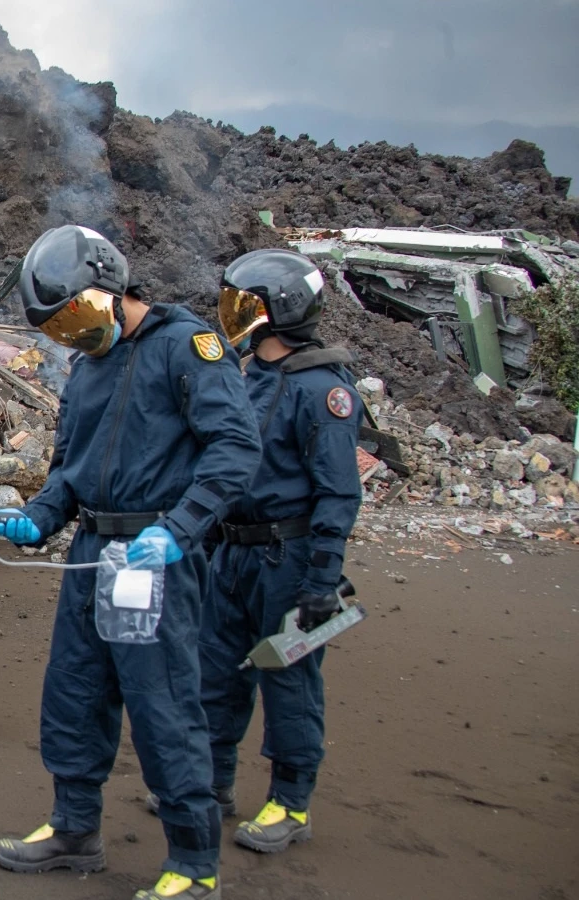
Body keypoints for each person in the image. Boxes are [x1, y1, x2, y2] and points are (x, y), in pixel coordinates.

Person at [0, 225, 261, 900]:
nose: (72, 336)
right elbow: (69, 469)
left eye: (76, 316)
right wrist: (41, 517)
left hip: (155, 558)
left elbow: (234, 448)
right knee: (75, 692)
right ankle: (75, 829)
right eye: (58, 328)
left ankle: (195, 866)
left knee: (164, 705)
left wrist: (182, 528)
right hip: (93, 553)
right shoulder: (88, 369)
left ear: (112, 286)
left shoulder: (188, 348)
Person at [193, 248, 363, 853]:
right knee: (216, 676)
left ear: (280, 310)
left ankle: (290, 804)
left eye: (246, 305)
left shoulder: (322, 393)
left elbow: (339, 494)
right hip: (234, 555)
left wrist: (323, 580)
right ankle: (211, 788)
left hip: (287, 561)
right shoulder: (247, 374)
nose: (233, 314)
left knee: (287, 681)